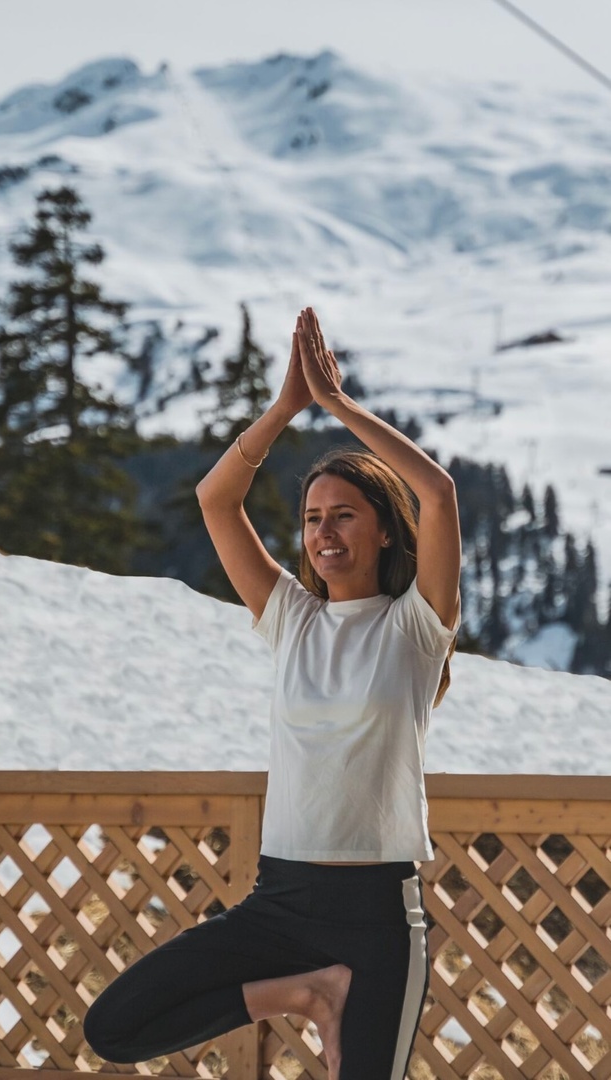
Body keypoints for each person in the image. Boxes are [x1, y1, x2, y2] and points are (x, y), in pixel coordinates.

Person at [83, 307, 461, 1080]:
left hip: (378, 915)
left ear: (386, 531)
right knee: (114, 1027)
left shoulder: (417, 627)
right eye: (313, 518)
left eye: (344, 516)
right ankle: (307, 994)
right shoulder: (291, 618)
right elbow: (216, 500)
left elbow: (438, 491)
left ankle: (325, 988)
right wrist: (285, 408)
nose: (324, 533)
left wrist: (337, 405)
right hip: (280, 899)